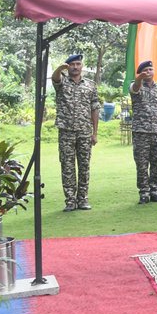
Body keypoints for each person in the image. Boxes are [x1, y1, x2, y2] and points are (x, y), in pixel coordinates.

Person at [51, 53, 100, 212]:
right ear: (68, 66)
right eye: (72, 64)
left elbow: (94, 108)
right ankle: (70, 200)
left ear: (82, 66)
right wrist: (60, 67)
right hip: (66, 131)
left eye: (78, 64)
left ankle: (83, 199)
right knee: (67, 166)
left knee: (84, 166)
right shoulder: (62, 82)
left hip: (85, 132)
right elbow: (55, 78)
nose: (75, 67)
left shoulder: (90, 85)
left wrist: (95, 132)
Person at [129, 60, 157, 204]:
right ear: (140, 73)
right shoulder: (136, 86)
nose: (148, 72)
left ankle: (155, 190)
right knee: (141, 164)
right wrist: (139, 78)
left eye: (150, 69)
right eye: (145, 70)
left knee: (156, 163)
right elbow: (135, 88)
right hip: (141, 132)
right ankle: (144, 192)